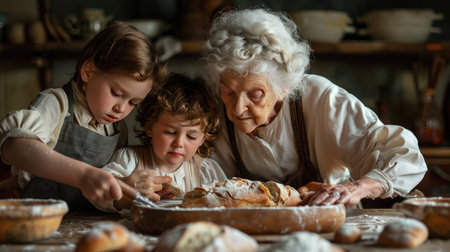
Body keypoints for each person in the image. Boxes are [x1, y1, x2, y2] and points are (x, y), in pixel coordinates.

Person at [203, 8, 427, 208]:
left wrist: (356, 189)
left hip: (328, 226)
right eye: (229, 92)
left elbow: (403, 155)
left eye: (255, 94)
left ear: (284, 87)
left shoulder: (321, 99)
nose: (238, 108)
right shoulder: (213, 111)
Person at [0, 21, 166, 210]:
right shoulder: (56, 104)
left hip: (85, 224)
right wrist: (83, 174)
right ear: (88, 71)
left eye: (133, 103)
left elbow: (104, 195)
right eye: (116, 93)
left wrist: (124, 187)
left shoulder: (118, 129)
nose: (121, 109)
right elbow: (14, 147)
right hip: (36, 218)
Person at [92, 73, 227, 212]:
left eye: (191, 137)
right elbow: (98, 195)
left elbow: (224, 205)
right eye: (170, 132)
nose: (179, 143)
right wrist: (127, 193)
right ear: (149, 128)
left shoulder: (206, 170)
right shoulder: (130, 159)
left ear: (202, 140)